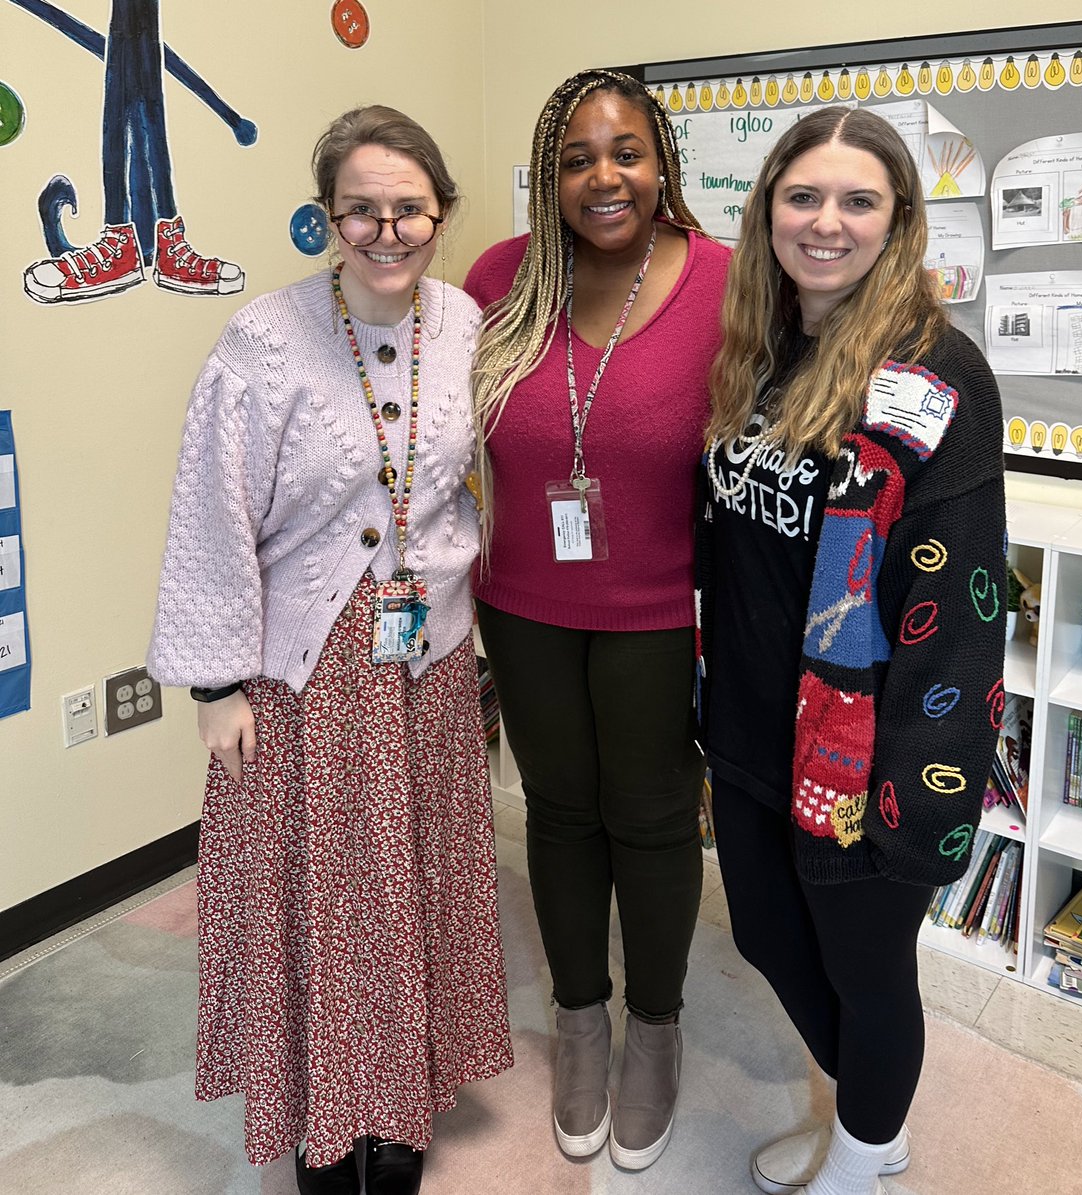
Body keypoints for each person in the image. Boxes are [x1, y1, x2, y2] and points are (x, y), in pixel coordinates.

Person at [147, 106, 513, 1195]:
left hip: (430, 656)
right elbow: (211, 515)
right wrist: (216, 684)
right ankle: (323, 1116)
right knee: (326, 900)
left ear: (439, 214)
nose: (387, 229)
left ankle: (396, 1113)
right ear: (326, 218)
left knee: (415, 888)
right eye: (362, 208)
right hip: (305, 671)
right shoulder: (263, 342)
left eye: (409, 208)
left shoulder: (467, 327)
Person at [697, 106, 1006, 1195]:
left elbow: (961, 612)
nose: (826, 221)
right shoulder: (760, 353)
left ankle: (866, 1153)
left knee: (869, 977)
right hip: (746, 730)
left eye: (858, 200)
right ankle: (874, 1119)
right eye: (804, 196)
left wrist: (918, 791)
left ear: (898, 220)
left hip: (862, 757)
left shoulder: (938, 377)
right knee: (775, 943)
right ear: (769, 209)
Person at [465, 68, 729, 1171]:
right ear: (548, 174)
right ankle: (582, 1017)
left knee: (654, 819)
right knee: (559, 814)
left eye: (625, 151)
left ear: (661, 162)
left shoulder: (723, 278)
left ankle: (654, 1028)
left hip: (663, 611)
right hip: (523, 600)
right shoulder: (499, 277)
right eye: (575, 157)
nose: (602, 175)